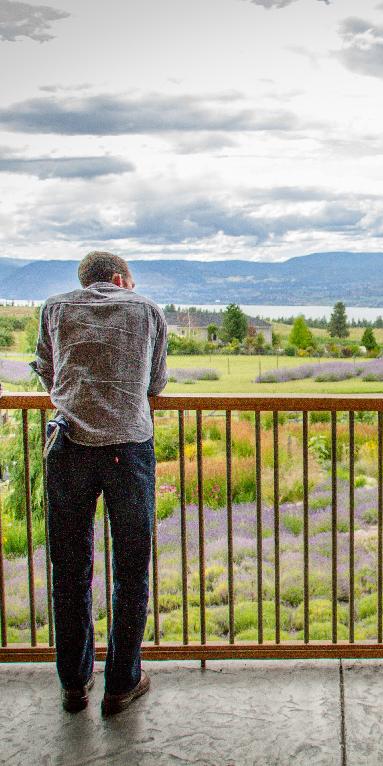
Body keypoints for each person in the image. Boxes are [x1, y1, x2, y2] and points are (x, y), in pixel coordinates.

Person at [31, 251, 167, 716]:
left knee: (69, 571)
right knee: (131, 571)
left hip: (68, 445)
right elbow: (156, 383)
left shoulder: (54, 308)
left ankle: (73, 683)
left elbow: (47, 373)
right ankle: (121, 684)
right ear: (118, 279)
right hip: (128, 448)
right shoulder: (147, 310)